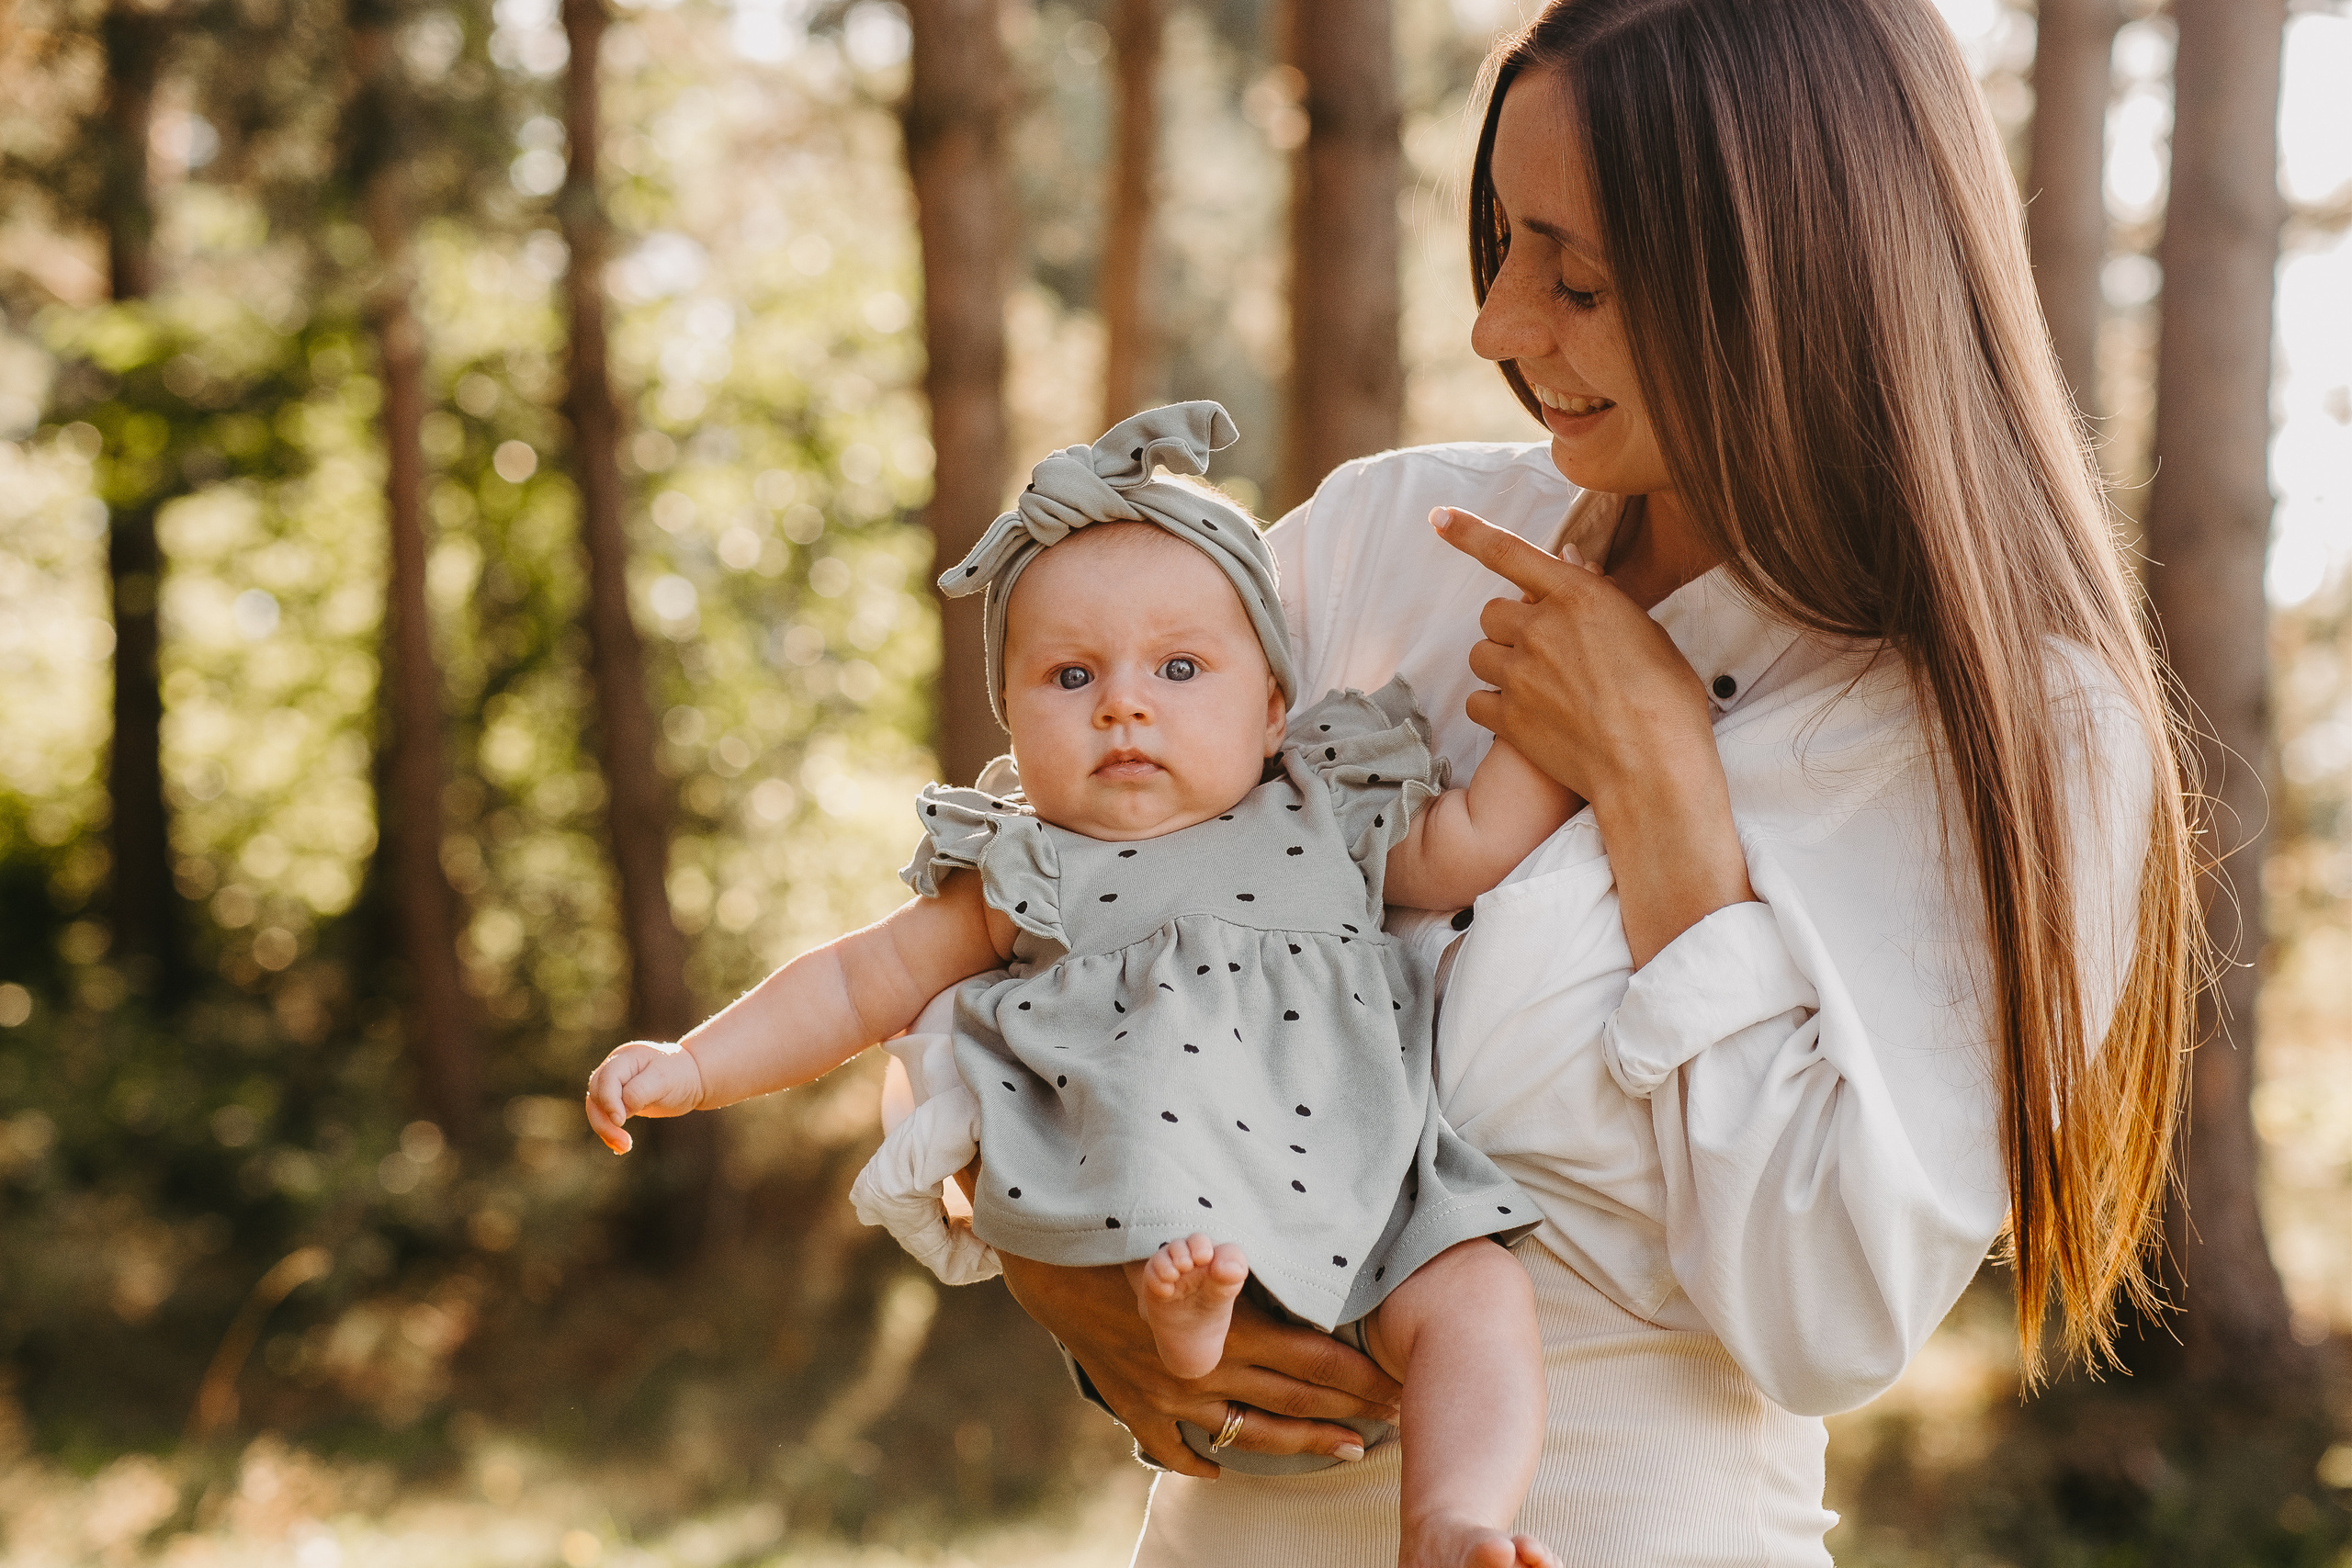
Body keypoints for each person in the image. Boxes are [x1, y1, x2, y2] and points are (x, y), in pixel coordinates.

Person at [978, 1, 2199, 1563]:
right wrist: (1066, 1281)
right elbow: (1013, 920)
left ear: (1789, 290)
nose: (1497, 324)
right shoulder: (1378, 546)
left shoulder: (2022, 731)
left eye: (1579, 278)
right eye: (1499, 243)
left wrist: (1660, 785)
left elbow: (1825, 1317)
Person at [584, 401, 1577, 1568]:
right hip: (1163, 1185)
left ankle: (1453, 1520)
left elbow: (1474, 838)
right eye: (1070, 675)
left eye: (1178, 666)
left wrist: (1562, 720)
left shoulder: (1323, 809)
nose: (1123, 703)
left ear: (1270, 708)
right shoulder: (1030, 869)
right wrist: (693, 1067)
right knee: (1176, 1227)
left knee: (1476, 1298)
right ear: (1012, 720)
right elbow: (858, 983)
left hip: (1377, 1179)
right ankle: (1189, 1318)